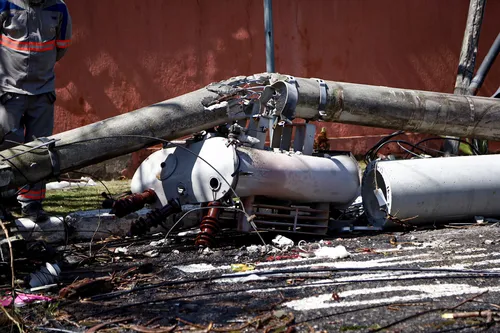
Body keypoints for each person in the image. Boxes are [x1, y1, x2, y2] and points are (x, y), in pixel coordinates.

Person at [0, 0, 72, 221]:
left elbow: (62, 46)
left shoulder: (58, 8)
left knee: (39, 149)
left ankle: (32, 203)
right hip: (8, 90)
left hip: (42, 92)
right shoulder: (5, 4)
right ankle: (3, 200)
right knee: (6, 146)